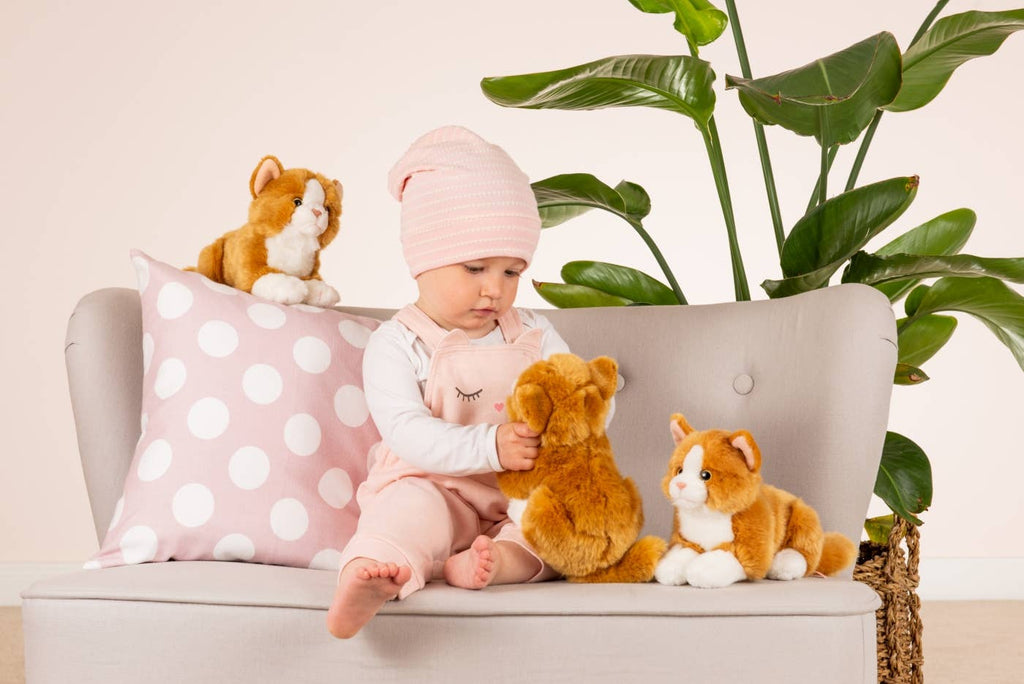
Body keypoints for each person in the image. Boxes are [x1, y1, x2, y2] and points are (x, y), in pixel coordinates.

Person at [327, 125, 571, 639]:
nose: (495, 289)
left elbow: (580, 397)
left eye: (511, 272)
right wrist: (491, 446)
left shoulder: (532, 332)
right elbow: (407, 432)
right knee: (404, 513)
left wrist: (572, 424)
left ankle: (496, 562)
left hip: (517, 495)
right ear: (423, 261)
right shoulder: (397, 344)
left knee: (560, 526)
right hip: (432, 486)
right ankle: (370, 573)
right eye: (477, 266)